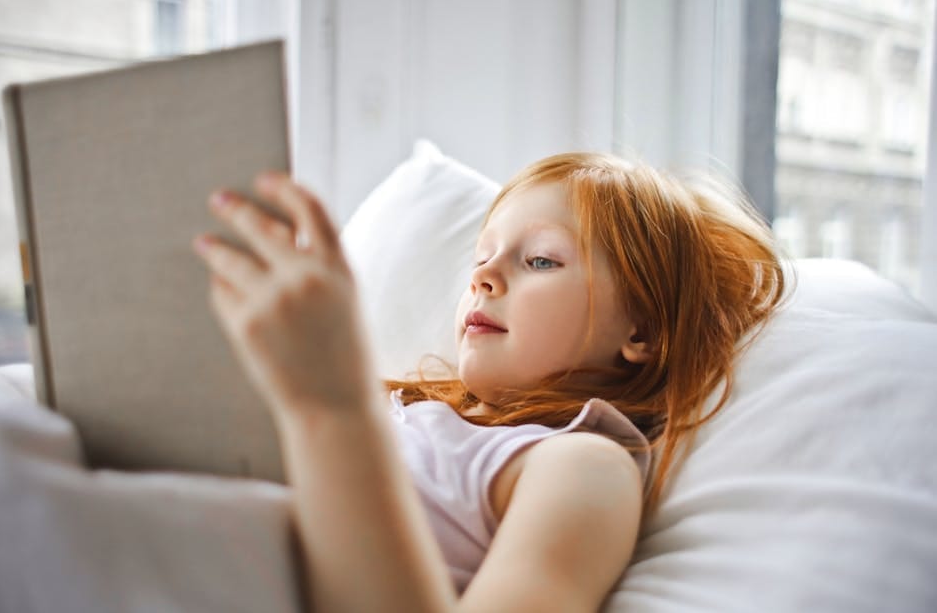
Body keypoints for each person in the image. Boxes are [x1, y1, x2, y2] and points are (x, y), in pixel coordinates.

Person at [191, 152, 787, 612]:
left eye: (541, 261)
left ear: (643, 330)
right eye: (481, 256)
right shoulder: (401, 405)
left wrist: (334, 407)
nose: (484, 277)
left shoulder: (580, 465)